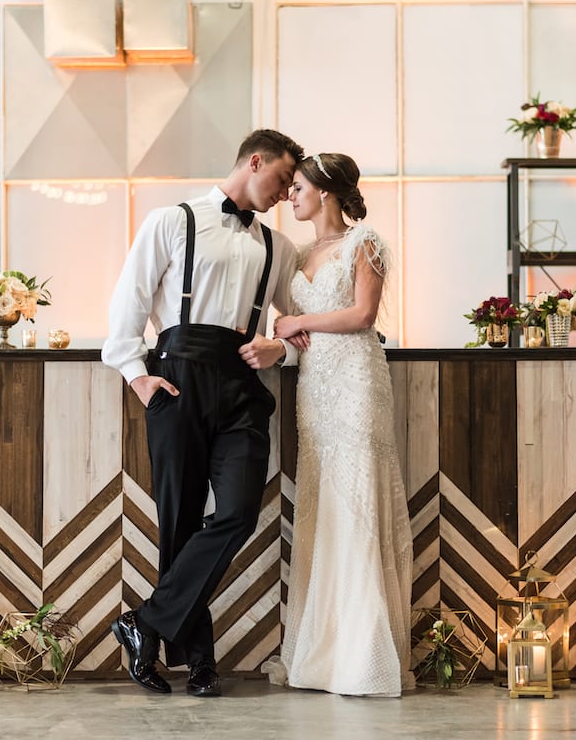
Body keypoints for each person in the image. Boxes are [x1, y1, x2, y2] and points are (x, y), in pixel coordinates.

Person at [102, 129, 306, 698]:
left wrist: (279, 348)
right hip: (178, 379)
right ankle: (198, 660)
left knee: (239, 511)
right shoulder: (172, 221)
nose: (287, 192)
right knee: (180, 523)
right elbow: (129, 302)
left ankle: (143, 623)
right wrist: (137, 375)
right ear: (254, 161)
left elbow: (301, 328)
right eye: (282, 179)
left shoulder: (280, 249)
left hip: (243, 385)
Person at [267, 152, 413, 697]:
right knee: (323, 503)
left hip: (355, 384)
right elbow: (281, 320)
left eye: (298, 187)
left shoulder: (364, 243)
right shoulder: (299, 253)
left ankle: (363, 652)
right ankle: (323, 650)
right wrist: (282, 329)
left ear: (325, 193)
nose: (291, 195)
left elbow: (361, 316)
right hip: (314, 388)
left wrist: (298, 320)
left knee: (356, 500)